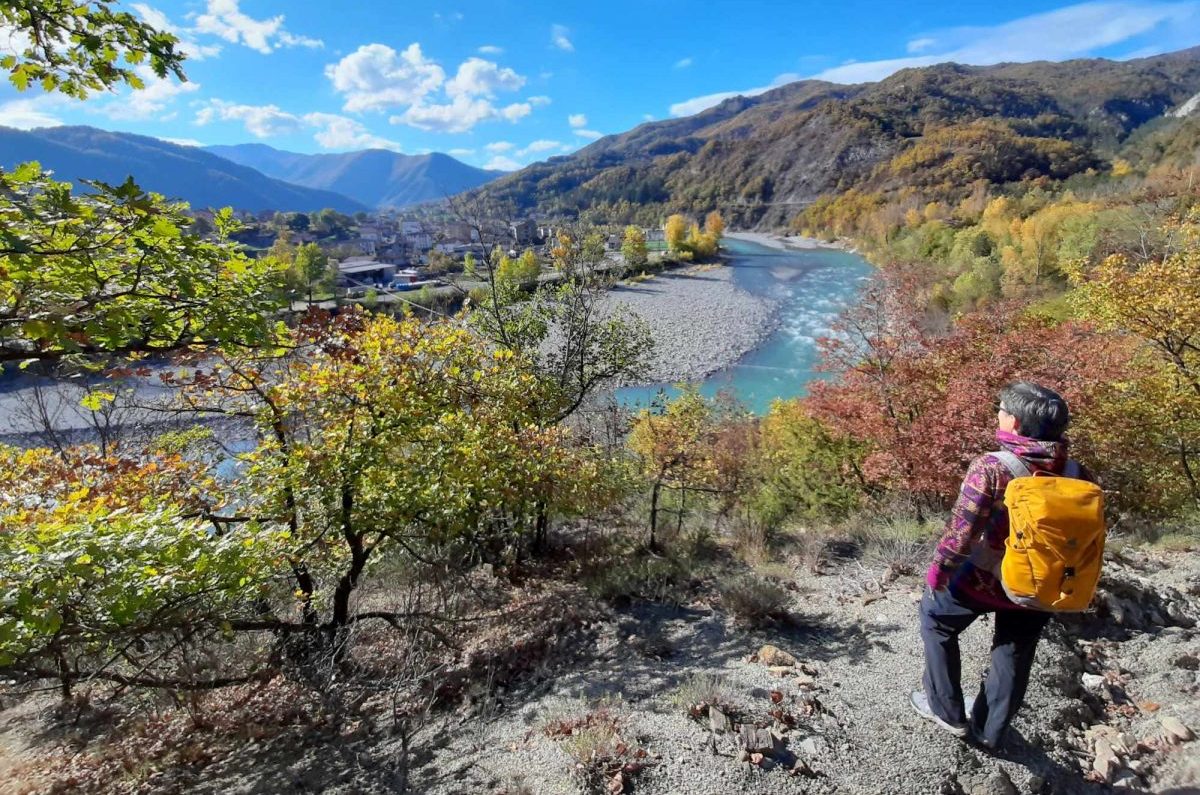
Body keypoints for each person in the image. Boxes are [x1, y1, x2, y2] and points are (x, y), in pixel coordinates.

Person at [910, 381, 1089, 750]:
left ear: (1016, 425)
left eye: (1003, 410)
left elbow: (960, 532)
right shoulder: (1077, 474)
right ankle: (990, 732)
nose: (998, 414)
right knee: (1014, 650)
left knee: (936, 620)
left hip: (981, 580)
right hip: (1040, 585)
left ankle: (946, 710)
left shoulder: (992, 468)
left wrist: (938, 574)